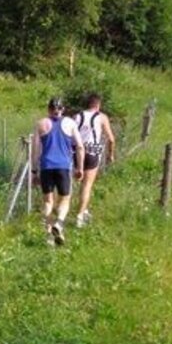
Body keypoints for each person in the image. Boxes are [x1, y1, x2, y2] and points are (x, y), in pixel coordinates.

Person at [32, 97, 84, 245]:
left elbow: (35, 149)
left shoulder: (41, 124)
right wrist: (79, 167)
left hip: (46, 166)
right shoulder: (70, 123)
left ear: (48, 109)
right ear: (63, 109)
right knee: (65, 199)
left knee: (48, 202)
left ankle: (49, 236)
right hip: (63, 166)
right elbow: (80, 146)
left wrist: (34, 171)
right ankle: (59, 223)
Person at [73, 93, 116, 227]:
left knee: (78, 182)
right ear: (98, 105)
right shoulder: (102, 117)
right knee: (87, 185)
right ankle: (80, 215)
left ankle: (83, 209)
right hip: (94, 148)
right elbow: (111, 139)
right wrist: (110, 154)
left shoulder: (77, 116)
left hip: (77, 149)